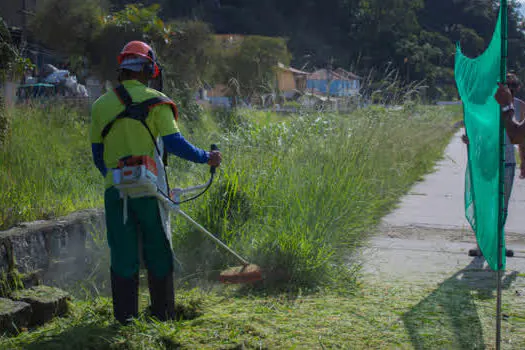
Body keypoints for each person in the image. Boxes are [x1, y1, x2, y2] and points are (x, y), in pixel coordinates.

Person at [89, 41, 222, 324]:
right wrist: (206, 157)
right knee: (158, 249)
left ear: (122, 69)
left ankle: (125, 320)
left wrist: (116, 180)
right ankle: (163, 315)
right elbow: (175, 143)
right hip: (151, 190)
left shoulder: (100, 105)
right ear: (149, 70)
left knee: (123, 254)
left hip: (116, 193)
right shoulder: (157, 101)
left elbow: (98, 156)